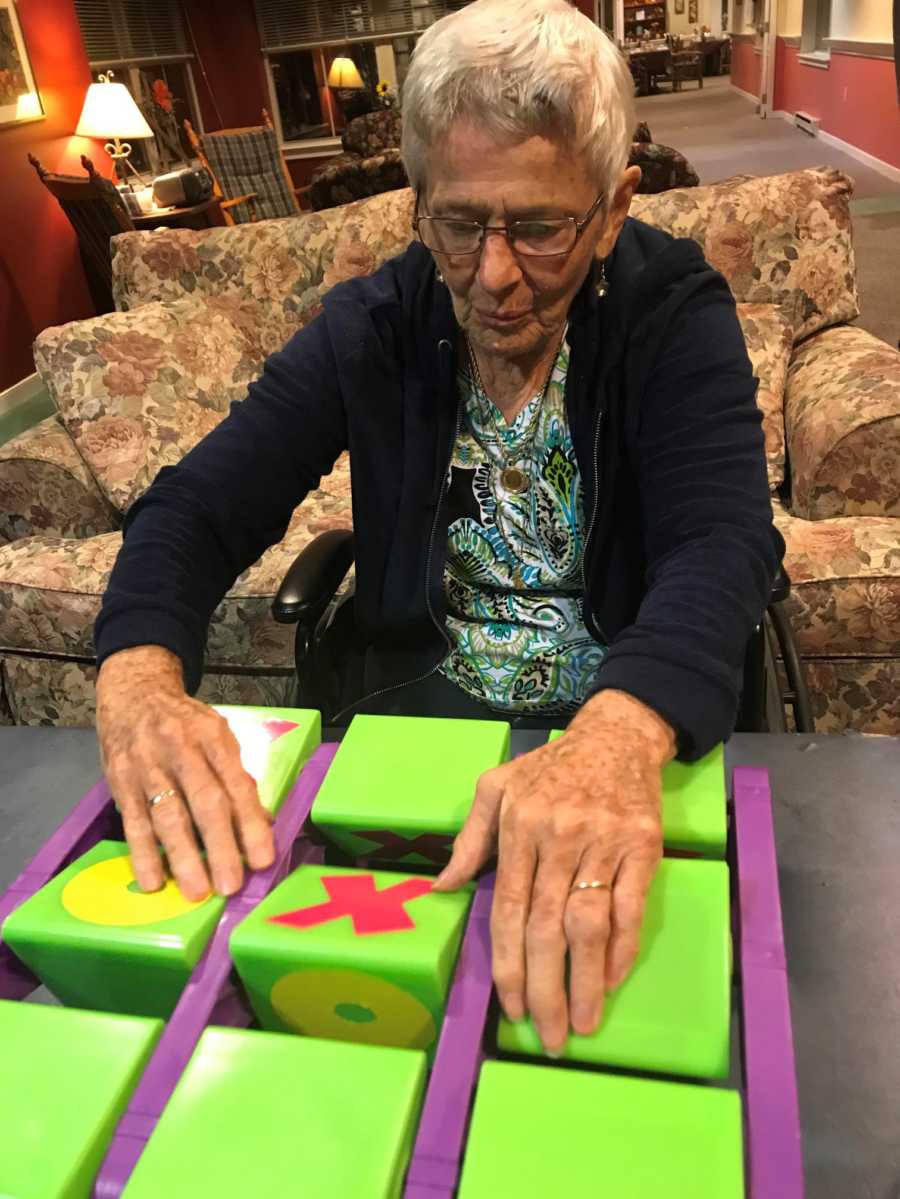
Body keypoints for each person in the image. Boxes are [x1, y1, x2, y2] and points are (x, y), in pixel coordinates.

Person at [94, 0, 783, 1055]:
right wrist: (137, 681)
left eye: (542, 227)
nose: (495, 276)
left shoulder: (672, 311)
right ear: (419, 204)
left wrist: (610, 736)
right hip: (426, 732)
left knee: (631, 1045)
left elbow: (723, 543)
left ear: (612, 208)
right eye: (461, 223)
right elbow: (196, 506)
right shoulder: (375, 320)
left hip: (631, 729)